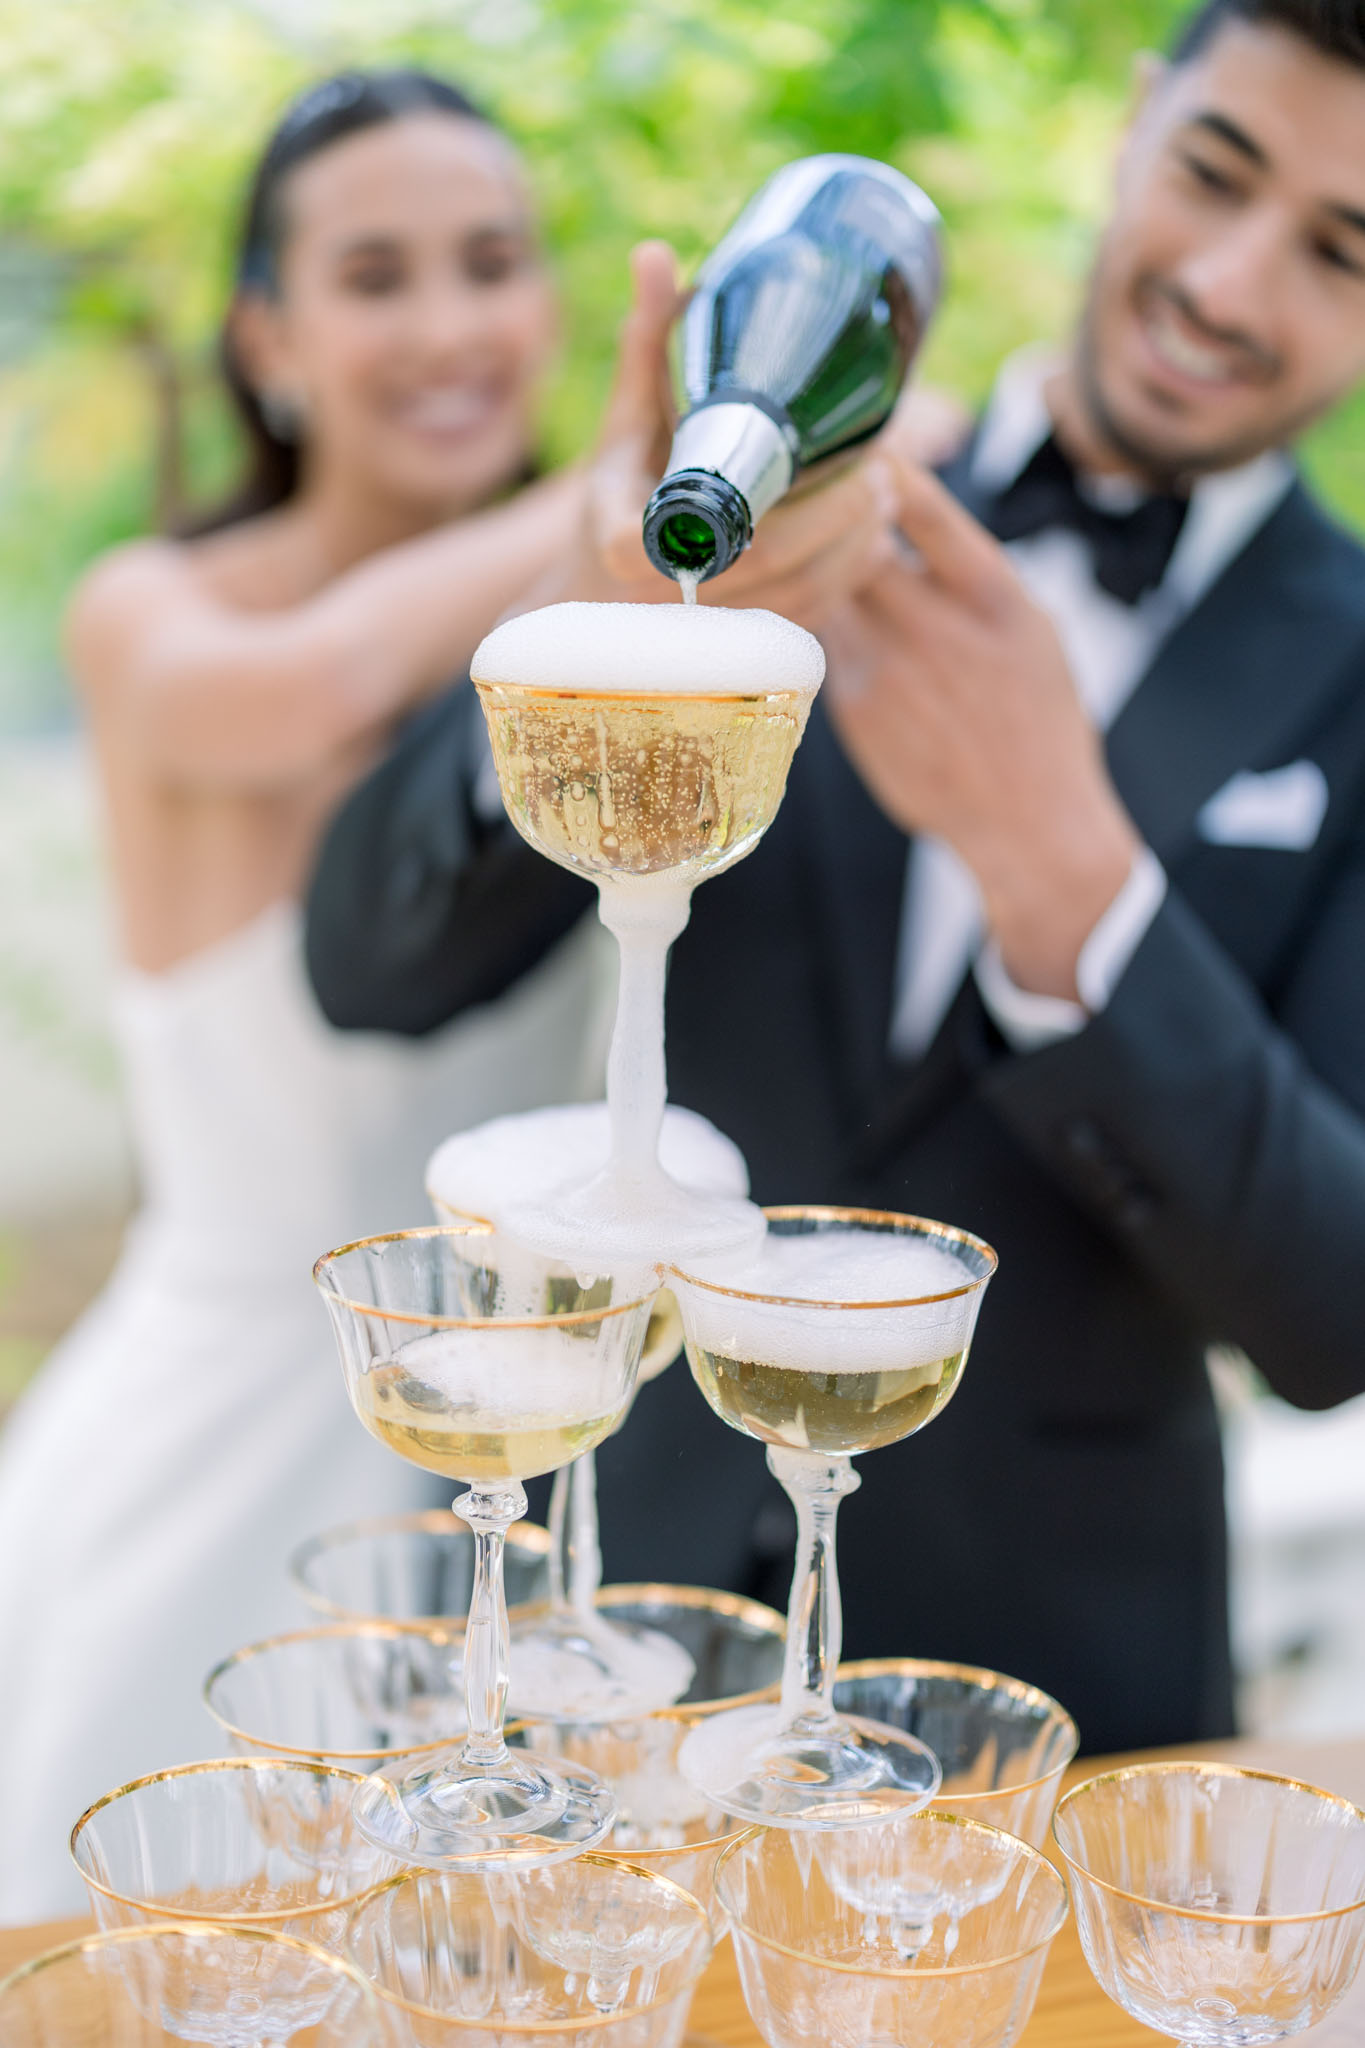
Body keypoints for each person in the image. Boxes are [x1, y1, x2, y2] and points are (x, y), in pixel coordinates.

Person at [306, 0, 1365, 1759]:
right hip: (609, 1614)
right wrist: (601, 614)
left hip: (1041, 1698)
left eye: (1338, 251)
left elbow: (1331, 1317)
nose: (1228, 285)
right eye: (1212, 172)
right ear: (1129, 128)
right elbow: (370, 960)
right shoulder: (795, 491)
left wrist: (1063, 869)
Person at [0, 68, 898, 1922]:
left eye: (490, 264)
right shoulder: (160, 614)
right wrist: (604, 518)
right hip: (228, 1426)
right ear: (266, 336)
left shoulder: (624, 671)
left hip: (522, 1430)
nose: (446, 325)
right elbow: (319, 691)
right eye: (373, 275)